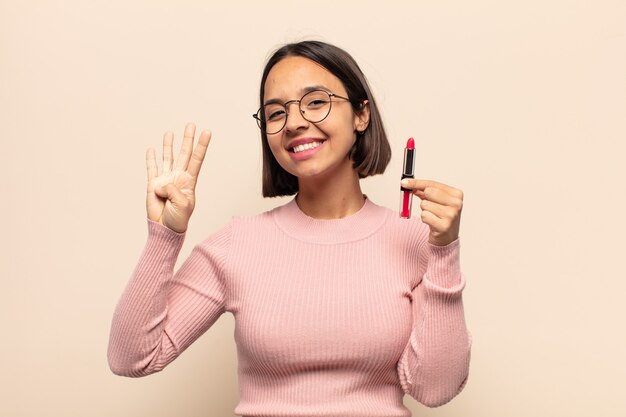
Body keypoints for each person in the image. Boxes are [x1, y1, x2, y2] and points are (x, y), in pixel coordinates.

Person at [108, 40, 471, 416]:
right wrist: (163, 236)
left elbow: (435, 388)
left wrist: (444, 252)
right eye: (276, 112)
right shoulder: (237, 244)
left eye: (316, 102)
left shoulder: (413, 242)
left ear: (361, 114)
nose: (295, 122)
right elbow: (132, 357)